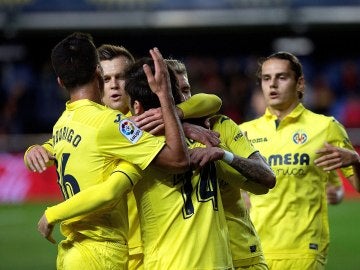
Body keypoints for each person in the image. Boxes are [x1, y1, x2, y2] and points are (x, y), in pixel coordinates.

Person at [37, 57, 275, 270]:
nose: (113, 85)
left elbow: (212, 102)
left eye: (119, 77)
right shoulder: (202, 144)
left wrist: (52, 214)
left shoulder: (139, 147)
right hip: (203, 260)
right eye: (107, 78)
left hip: (204, 257)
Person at [34, 32, 190, 270]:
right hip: (102, 251)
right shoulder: (111, 123)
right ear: (98, 72)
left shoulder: (62, 123)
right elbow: (178, 160)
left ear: (61, 82)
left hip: (72, 251)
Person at [239, 51, 359, 270]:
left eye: (281, 77)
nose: (272, 84)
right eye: (266, 78)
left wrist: (355, 161)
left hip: (304, 251)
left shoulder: (325, 127)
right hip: (255, 252)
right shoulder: (243, 133)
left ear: (300, 83)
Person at [166, 58, 272, 269]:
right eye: (176, 92)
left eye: (187, 90)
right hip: (192, 259)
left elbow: (266, 178)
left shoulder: (220, 125)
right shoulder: (155, 136)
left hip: (242, 253)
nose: (184, 97)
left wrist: (224, 155)